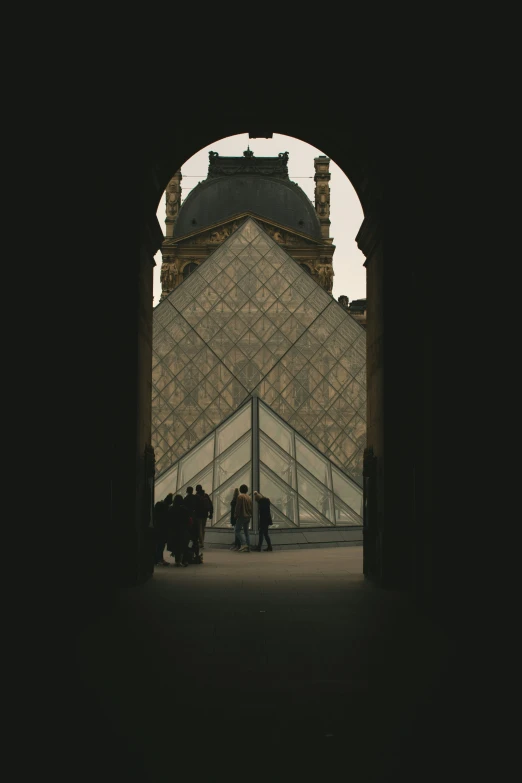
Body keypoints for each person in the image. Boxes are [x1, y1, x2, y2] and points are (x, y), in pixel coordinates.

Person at [166, 494, 191, 567]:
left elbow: (168, 520)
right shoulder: (184, 509)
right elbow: (187, 520)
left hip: (173, 529)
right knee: (183, 545)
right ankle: (184, 560)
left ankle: (177, 560)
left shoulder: (171, 509)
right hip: (182, 529)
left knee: (176, 545)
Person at [153, 493, 173, 566]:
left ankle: (156, 559)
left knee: (158, 545)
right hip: (163, 529)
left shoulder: (158, 504)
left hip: (157, 528)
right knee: (161, 545)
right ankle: (160, 559)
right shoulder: (166, 508)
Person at [183, 486, 201, 564]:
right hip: (195, 519)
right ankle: (196, 555)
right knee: (195, 540)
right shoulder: (196, 498)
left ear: (187, 491)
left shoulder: (186, 499)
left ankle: (187, 556)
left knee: (187, 539)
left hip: (188, 520)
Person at [194, 484, 213, 555]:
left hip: (198, 515)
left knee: (199, 529)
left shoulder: (196, 496)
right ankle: (202, 542)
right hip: (205, 514)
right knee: (203, 529)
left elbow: (194, 506)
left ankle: (201, 543)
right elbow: (211, 505)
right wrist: (211, 514)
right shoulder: (206, 495)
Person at [234, 484, 252, 553]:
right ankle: (248, 546)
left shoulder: (240, 497)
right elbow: (251, 507)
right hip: (248, 516)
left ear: (240, 490)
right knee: (246, 532)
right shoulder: (249, 497)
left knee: (237, 530)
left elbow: (238, 507)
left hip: (242, 516)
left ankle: (244, 544)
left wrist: (236, 514)